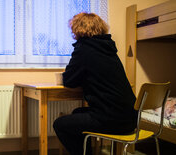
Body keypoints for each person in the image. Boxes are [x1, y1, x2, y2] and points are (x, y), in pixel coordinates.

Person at [53, 12, 137, 155]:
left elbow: (69, 80)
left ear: (78, 29)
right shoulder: (109, 49)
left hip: (111, 119)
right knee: (77, 113)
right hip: (130, 118)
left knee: (59, 124)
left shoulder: (84, 49)